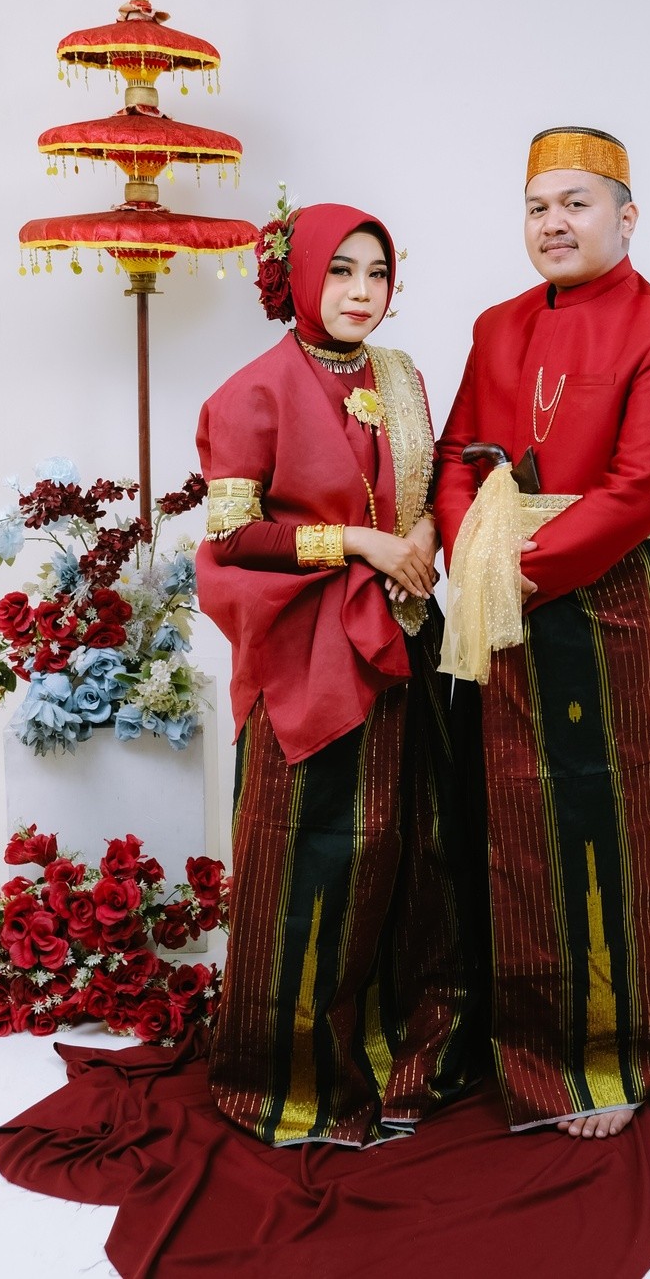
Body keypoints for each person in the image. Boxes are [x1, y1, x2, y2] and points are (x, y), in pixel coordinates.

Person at [435, 126, 650, 1139]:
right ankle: (511, 1034)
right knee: (505, 820)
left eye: (575, 204)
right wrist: (469, 556)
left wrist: (517, 572)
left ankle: (604, 1053)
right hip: (493, 601)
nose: (552, 224)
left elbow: (641, 490)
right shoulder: (497, 325)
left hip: (604, 607)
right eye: (536, 207)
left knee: (604, 823)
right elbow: (456, 456)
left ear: (626, 217)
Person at [196, 201, 474, 1147]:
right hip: (309, 651)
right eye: (340, 271)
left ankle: (409, 1058)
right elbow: (233, 536)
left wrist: (421, 539)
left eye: (377, 273)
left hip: (405, 635)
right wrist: (359, 541)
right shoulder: (253, 391)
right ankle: (293, 1079)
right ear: (299, 277)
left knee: (419, 846)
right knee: (312, 855)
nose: (361, 292)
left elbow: (434, 487)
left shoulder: (401, 376)